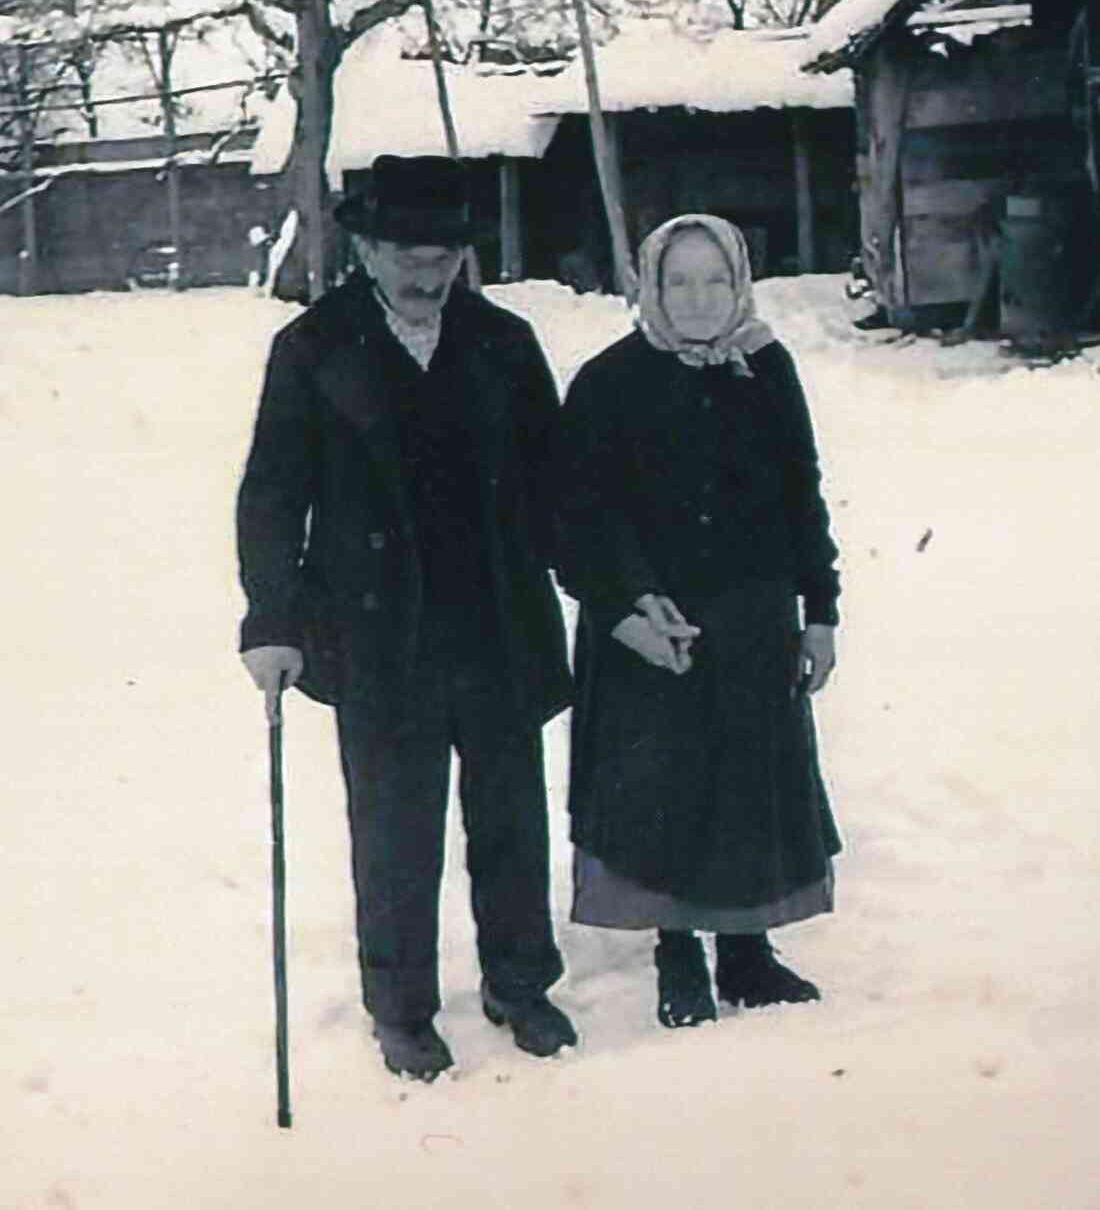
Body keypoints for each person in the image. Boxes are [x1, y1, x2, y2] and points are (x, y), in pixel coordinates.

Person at [236, 154, 577, 1082]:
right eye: (407, 254)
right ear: (367, 248)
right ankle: (401, 1005)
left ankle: (520, 981)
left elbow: (556, 486)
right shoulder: (312, 349)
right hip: (379, 633)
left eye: (445, 255)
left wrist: (607, 586)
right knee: (394, 830)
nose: (428, 274)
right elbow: (272, 495)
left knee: (511, 818)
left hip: (495, 620)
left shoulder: (504, 343)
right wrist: (272, 619)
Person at [552, 213, 841, 1030]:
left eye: (715, 279)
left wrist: (819, 611)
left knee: (748, 780)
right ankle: (678, 951)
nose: (700, 298)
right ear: (649, 285)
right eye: (679, 281)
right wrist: (631, 603)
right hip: (654, 624)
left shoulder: (768, 367)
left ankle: (747, 954)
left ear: (741, 280)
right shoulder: (609, 381)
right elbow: (581, 514)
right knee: (664, 788)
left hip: (753, 616)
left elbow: (800, 493)